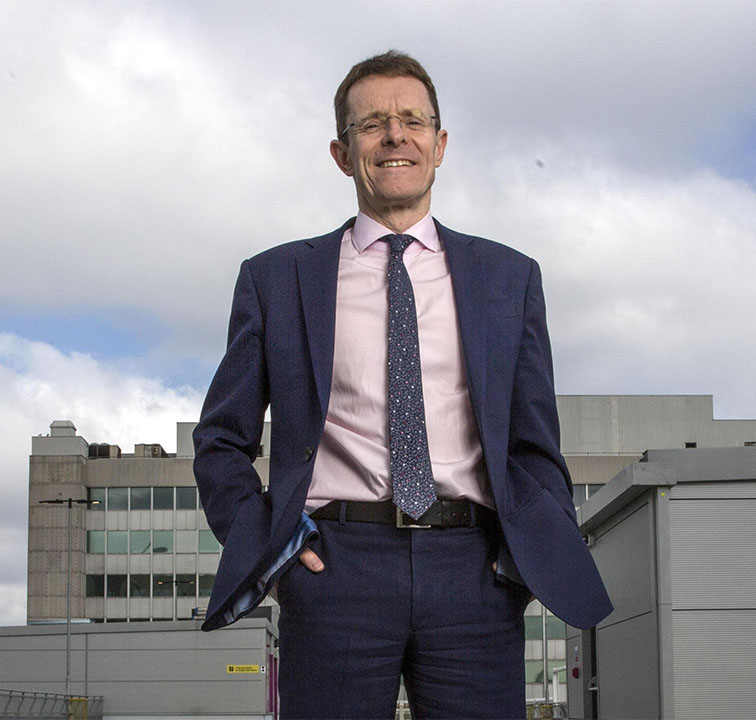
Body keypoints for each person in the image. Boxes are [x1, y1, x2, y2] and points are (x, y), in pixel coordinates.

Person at [192, 50, 612, 719]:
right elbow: (221, 438)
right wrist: (276, 554)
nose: (395, 136)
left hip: (475, 573)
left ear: (439, 146)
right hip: (334, 571)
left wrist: (521, 559)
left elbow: (535, 444)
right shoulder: (277, 279)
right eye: (373, 124)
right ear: (342, 153)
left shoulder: (509, 277)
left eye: (413, 121)